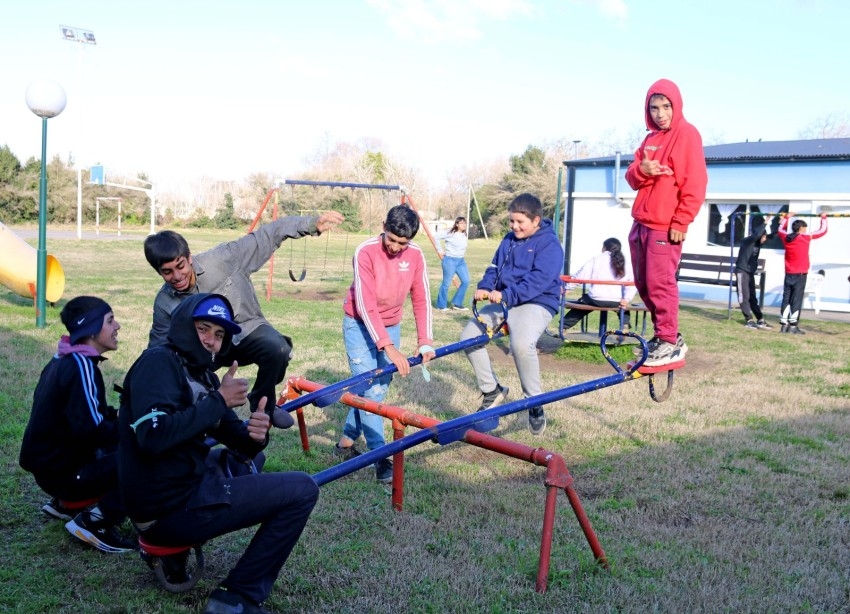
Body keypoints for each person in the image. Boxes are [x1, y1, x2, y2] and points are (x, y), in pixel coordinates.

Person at [118, 293, 319, 614]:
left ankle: (173, 556)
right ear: (184, 325)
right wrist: (219, 401)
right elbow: (152, 439)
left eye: (220, 334)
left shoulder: (203, 376)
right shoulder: (158, 363)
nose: (211, 341)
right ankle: (236, 598)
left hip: (178, 489)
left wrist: (257, 433)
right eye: (203, 329)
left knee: (253, 459)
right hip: (163, 509)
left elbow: (240, 443)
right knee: (302, 489)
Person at [143, 211, 343, 429]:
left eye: (180, 266)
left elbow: (268, 234)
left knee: (277, 348)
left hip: (245, 333)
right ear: (159, 272)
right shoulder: (164, 302)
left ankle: (264, 407)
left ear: (189, 257)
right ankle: (201, 416)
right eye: (167, 272)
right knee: (181, 376)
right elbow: (158, 347)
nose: (177, 276)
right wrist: (143, 383)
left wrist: (311, 224)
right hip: (206, 350)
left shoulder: (223, 259)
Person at [19, 296, 135, 553]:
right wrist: (135, 427)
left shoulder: (64, 358)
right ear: (91, 329)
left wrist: (121, 417)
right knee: (143, 455)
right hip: (66, 476)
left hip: (52, 472)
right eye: (110, 320)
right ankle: (96, 522)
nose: (117, 326)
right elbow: (94, 432)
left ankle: (65, 504)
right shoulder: (81, 366)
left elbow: (89, 415)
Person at [333, 205, 436, 482]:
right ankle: (379, 457)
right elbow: (365, 305)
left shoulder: (414, 255)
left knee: (375, 390)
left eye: (402, 243)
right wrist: (388, 346)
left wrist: (425, 341)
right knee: (369, 391)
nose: (394, 247)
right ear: (383, 226)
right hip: (359, 324)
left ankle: (345, 442)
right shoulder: (364, 251)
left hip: (391, 324)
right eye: (391, 239)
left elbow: (422, 298)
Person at [460, 193, 563, 436]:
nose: (514, 227)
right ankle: (491, 390)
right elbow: (494, 267)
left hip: (536, 301)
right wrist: (486, 286)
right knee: (469, 336)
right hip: (506, 299)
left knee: (520, 344)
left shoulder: (549, 245)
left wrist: (507, 295)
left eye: (520, 222)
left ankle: (534, 402)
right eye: (511, 222)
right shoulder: (508, 240)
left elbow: (538, 281)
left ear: (536, 221)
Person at [625, 78, 708, 367]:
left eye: (666, 106)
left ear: (676, 105)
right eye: (654, 108)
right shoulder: (649, 139)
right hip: (641, 222)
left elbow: (695, 183)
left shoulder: (686, 134)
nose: (660, 113)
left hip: (665, 224)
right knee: (644, 284)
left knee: (661, 282)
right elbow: (631, 178)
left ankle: (668, 340)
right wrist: (641, 170)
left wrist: (682, 221)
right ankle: (667, 336)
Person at [559, 237, 636, 333]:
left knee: (581, 306)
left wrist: (567, 287)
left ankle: (564, 326)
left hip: (596, 298)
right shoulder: (625, 262)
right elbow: (632, 283)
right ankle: (625, 326)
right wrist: (626, 299)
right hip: (617, 300)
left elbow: (580, 276)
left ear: (604, 247)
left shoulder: (597, 259)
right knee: (623, 308)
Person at [778, 213, 828, 334]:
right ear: (801, 229)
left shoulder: (786, 237)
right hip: (800, 274)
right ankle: (793, 326)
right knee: (796, 299)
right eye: (805, 228)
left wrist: (787, 217)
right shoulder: (804, 237)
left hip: (789, 273)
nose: (806, 230)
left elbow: (780, 229)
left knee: (786, 298)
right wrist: (823, 218)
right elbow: (822, 231)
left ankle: (784, 325)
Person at [735, 220, 772, 330]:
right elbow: (756, 234)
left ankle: (760, 319)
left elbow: (772, 236)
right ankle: (749, 320)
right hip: (741, 271)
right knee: (744, 296)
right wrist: (766, 221)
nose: (765, 240)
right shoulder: (747, 241)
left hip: (749, 272)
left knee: (752, 297)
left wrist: (782, 222)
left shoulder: (758, 243)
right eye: (763, 237)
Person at [435, 216, 470, 311]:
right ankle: (441, 305)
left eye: (465, 223)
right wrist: (440, 250)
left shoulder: (464, 234)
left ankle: (456, 303)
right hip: (450, 260)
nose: (464, 225)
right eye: (462, 223)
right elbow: (436, 236)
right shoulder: (451, 233)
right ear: (457, 224)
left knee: (466, 281)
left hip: (461, 261)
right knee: (446, 283)